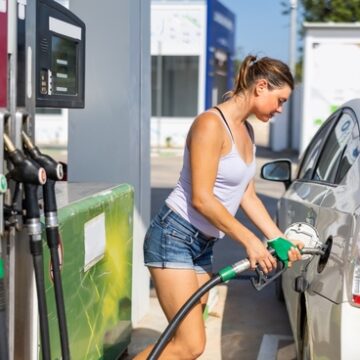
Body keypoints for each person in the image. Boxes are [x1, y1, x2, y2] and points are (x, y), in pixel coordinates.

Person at [135, 54, 303, 360]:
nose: (279, 110)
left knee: (182, 338)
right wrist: (251, 241)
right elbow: (201, 198)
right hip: (174, 237)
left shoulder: (247, 132)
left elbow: (246, 194)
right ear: (261, 87)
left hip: (202, 243)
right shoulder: (210, 125)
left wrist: (276, 236)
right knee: (190, 345)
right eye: (279, 100)